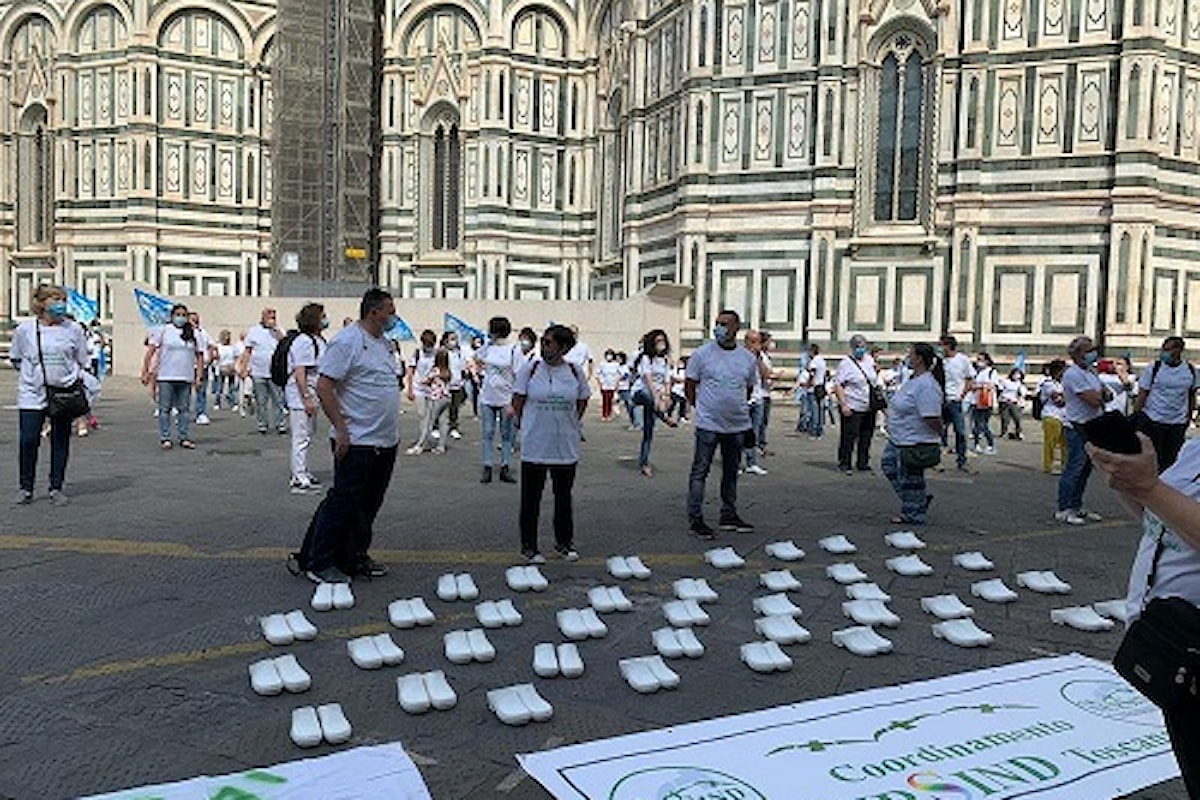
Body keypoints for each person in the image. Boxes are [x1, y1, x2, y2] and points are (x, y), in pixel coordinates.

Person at [1087, 433, 1200, 798]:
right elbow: (1162, 521)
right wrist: (1130, 485)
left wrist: (1149, 488)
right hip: (1171, 640)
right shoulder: (1196, 447)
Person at [297, 288, 402, 583]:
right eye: (390, 311)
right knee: (343, 502)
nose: (394, 316)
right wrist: (341, 428)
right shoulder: (347, 342)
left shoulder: (385, 344)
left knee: (369, 505)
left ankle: (354, 556)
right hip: (357, 440)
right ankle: (320, 561)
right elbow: (324, 387)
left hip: (384, 440)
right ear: (374, 312)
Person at [512, 324, 591, 563]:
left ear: (563, 347)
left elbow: (582, 400)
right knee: (531, 499)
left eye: (549, 342)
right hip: (536, 443)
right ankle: (529, 546)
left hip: (565, 446)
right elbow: (518, 399)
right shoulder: (531, 369)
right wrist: (522, 424)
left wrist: (571, 422)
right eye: (543, 341)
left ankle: (564, 543)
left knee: (563, 497)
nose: (543, 346)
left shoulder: (575, 371)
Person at [10, 285, 90, 506]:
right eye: (55, 299)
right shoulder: (25, 330)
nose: (60, 304)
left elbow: (82, 359)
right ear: (41, 303)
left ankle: (56, 486)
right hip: (32, 393)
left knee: (60, 440)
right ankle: (26, 487)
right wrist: (34, 376)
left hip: (64, 393)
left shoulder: (73, 329)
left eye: (63, 300)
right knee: (28, 439)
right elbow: (16, 358)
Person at [685, 309, 760, 539]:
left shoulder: (747, 358)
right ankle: (695, 518)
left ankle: (728, 514)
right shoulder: (702, 354)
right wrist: (701, 408)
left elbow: (747, 387)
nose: (719, 328)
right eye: (717, 323)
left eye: (725, 324)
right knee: (700, 471)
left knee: (730, 471)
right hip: (708, 424)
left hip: (736, 425)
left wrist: (736, 409)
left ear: (736, 328)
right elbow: (690, 383)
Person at [881, 343, 945, 525]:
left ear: (919, 359)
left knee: (912, 477)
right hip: (900, 438)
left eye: (910, 354)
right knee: (890, 467)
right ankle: (917, 501)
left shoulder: (927, 385)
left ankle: (914, 512)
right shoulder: (913, 380)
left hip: (915, 440)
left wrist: (941, 434)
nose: (907, 358)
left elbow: (931, 415)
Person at [1056, 335, 1110, 525]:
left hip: (1092, 426)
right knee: (1074, 468)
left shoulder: (1091, 372)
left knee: (1086, 469)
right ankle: (1064, 508)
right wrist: (1100, 395)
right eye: (1088, 350)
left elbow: (1106, 394)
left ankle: (1076, 505)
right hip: (1077, 426)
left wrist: (1101, 395)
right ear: (1078, 354)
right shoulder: (1072, 374)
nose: (1093, 353)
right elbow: (1093, 400)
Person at [143, 303, 204, 450]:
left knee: (184, 409)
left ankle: (183, 436)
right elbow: (151, 351)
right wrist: (145, 370)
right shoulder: (163, 330)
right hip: (166, 376)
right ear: (172, 316)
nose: (181, 318)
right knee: (165, 409)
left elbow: (200, 356)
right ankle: (165, 437)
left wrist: (198, 377)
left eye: (184, 315)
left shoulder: (194, 333)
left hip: (186, 376)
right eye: (178, 314)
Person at [1134, 336, 1198, 472]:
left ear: (1179, 350)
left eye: (1168, 350)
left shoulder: (1189, 370)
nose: (1164, 353)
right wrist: (1136, 416)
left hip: (1177, 423)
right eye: (1163, 349)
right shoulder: (1154, 368)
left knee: (1170, 461)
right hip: (1154, 420)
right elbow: (1142, 393)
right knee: (1152, 459)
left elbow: (1191, 395)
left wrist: (1189, 416)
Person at [285, 303, 328, 494]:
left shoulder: (317, 340)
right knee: (301, 436)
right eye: (323, 316)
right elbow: (300, 371)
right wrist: (306, 397)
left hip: (312, 393)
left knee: (308, 434)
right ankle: (298, 476)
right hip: (300, 396)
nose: (326, 320)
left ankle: (303, 470)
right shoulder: (304, 341)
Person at [475, 316, 520, 484]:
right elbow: (477, 357)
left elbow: (518, 375)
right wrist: (487, 343)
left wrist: (513, 402)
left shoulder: (513, 350)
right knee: (487, 432)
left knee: (506, 434)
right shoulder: (489, 348)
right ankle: (487, 466)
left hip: (506, 398)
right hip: (488, 396)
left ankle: (505, 466)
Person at [632, 329, 677, 477]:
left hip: (655, 400)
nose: (661, 344)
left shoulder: (665, 360)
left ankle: (644, 462)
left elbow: (667, 380)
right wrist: (657, 398)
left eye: (663, 341)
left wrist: (666, 395)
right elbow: (648, 379)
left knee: (648, 432)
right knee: (648, 396)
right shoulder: (646, 358)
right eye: (658, 341)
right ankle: (664, 418)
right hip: (641, 393)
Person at [833, 334, 879, 475]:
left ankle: (862, 462)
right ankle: (844, 462)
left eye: (862, 346)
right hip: (852, 405)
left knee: (866, 435)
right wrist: (844, 404)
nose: (860, 349)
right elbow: (838, 384)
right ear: (853, 347)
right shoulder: (845, 363)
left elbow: (873, 379)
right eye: (858, 346)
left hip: (869, 405)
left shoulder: (869, 360)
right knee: (849, 435)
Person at [240, 307, 288, 435]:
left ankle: (280, 424)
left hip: (274, 372)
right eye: (269, 316)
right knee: (261, 401)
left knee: (278, 400)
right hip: (258, 371)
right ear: (262, 317)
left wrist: (275, 329)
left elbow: (284, 343)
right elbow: (247, 351)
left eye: (273, 316)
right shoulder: (254, 331)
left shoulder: (279, 330)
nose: (271, 318)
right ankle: (262, 424)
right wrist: (244, 368)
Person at [938, 335, 975, 473]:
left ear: (949, 346)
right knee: (939, 431)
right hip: (942, 400)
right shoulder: (940, 361)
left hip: (956, 401)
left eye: (942, 345)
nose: (940, 348)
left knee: (960, 431)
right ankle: (937, 460)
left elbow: (970, 379)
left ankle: (962, 461)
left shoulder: (962, 360)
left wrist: (962, 395)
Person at [410, 349, 452, 455]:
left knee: (428, 422)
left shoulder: (435, 370)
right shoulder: (447, 371)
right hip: (446, 397)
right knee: (444, 422)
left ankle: (420, 445)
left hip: (436, 398)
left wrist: (423, 381)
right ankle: (441, 446)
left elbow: (426, 380)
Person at [405, 329, 438, 453]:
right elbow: (410, 371)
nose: (428, 347)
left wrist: (432, 378)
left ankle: (423, 441)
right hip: (419, 388)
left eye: (430, 345)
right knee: (421, 415)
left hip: (432, 388)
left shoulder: (437, 354)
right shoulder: (418, 353)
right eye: (426, 344)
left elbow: (441, 369)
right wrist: (410, 389)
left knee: (430, 417)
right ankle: (423, 440)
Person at [742, 330, 770, 476]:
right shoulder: (739, 356)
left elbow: (766, 375)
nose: (755, 345)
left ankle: (751, 463)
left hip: (757, 399)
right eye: (752, 342)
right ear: (746, 342)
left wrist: (758, 358)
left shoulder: (761, 357)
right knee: (739, 433)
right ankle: (737, 463)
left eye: (757, 342)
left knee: (753, 433)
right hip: (742, 400)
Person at [1039, 360, 1068, 474]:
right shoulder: (1048, 384)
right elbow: (1058, 401)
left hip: (1065, 418)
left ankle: (1065, 466)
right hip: (1051, 416)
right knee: (1051, 443)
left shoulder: (1065, 384)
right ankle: (1048, 466)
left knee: (1065, 444)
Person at [440, 331, 469, 439]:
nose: (454, 341)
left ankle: (453, 427)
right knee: (441, 408)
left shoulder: (459, 353)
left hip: (457, 385)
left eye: (455, 339)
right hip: (444, 385)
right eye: (452, 339)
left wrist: (463, 380)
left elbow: (462, 368)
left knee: (454, 408)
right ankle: (437, 427)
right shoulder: (442, 352)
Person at [189, 311, 216, 426]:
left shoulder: (203, 332)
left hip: (202, 366)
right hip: (188, 366)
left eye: (197, 319)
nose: (195, 321)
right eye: (193, 319)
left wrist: (210, 358)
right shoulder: (185, 333)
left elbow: (211, 345)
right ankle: (182, 412)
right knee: (185, 392)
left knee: (201, 390)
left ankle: (201, 413)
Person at [969, 352, 998, 454]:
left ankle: (991, 445)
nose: (979, 362)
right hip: (975, 401)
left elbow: (992, 385)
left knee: (984, 424)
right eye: (978, 359)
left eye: (981, 359)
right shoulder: (976, 372)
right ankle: (976, 444)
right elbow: (971, 385)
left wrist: (980, 386)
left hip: (986, 402)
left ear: (987, 361)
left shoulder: (991, 371)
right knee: (976, 425)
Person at [212, 330, 240, 411]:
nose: (227, 338)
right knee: (219, 387)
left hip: (230, 368)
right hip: (221, 368)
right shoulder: (218, 346)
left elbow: (236, 357)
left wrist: (234, 366)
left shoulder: (232, 347)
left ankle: (233, 403)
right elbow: (215, 357)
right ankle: (217, 402)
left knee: (231, 387)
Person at [804, 344, 827, 438]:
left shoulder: (814, 361)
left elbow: (812, 373)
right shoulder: (822, 360)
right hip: (821, 386)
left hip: (814, 388)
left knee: (814, 410)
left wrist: (809, 383)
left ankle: (814, 431)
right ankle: (820, 429)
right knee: (821, 410)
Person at [997, 368, 1026, 440]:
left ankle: (1018, 432)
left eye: (1018, 374)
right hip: (1004, 402)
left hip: (1014, 402)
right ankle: (1004, 432)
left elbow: (1022, 393)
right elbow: (1000, 390)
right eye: (1015, 374)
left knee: (1017, 418)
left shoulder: (1020, 383)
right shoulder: (1005, 381)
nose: (1016, 376)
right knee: (1005, 418)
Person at [596, 348, 621, 421]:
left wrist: (617, 384)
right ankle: (604, 415)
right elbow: (598, 374)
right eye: (607, 355)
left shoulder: (616, 364)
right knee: (605, 400)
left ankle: (609, 414)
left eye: (610, 355)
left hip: (612, 385)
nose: (609, 356)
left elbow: (618, 375)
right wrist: (600, 383)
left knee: (610, 400)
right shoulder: (602, 364)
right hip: (604, 384)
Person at [616, 351, 638, 429]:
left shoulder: (625, 367)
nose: (617, 360)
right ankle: (633, 422)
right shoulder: (619, 367)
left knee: (630, 406)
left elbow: (626, 375)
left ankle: (635, 422)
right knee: (627, 406)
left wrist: (619, 379)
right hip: (621, 388)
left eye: (619, 358)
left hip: (625, 388)